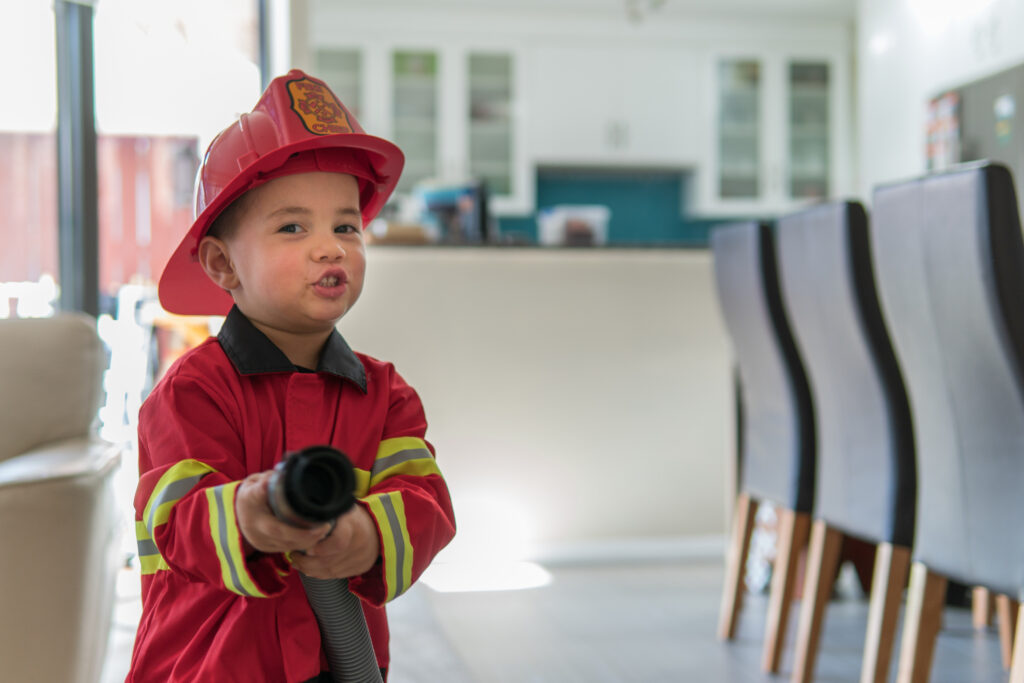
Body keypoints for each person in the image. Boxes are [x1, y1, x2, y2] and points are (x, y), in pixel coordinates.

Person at [126, 70, 456, 682]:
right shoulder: (191, 392)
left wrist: (368, 533)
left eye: (346, 226)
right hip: (210, 667)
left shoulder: (384, 395)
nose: (331, 248)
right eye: (292, 227)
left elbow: (427, 503)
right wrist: (249, 513)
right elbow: (177, 519)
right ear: (223, 262)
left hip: (340, 665)